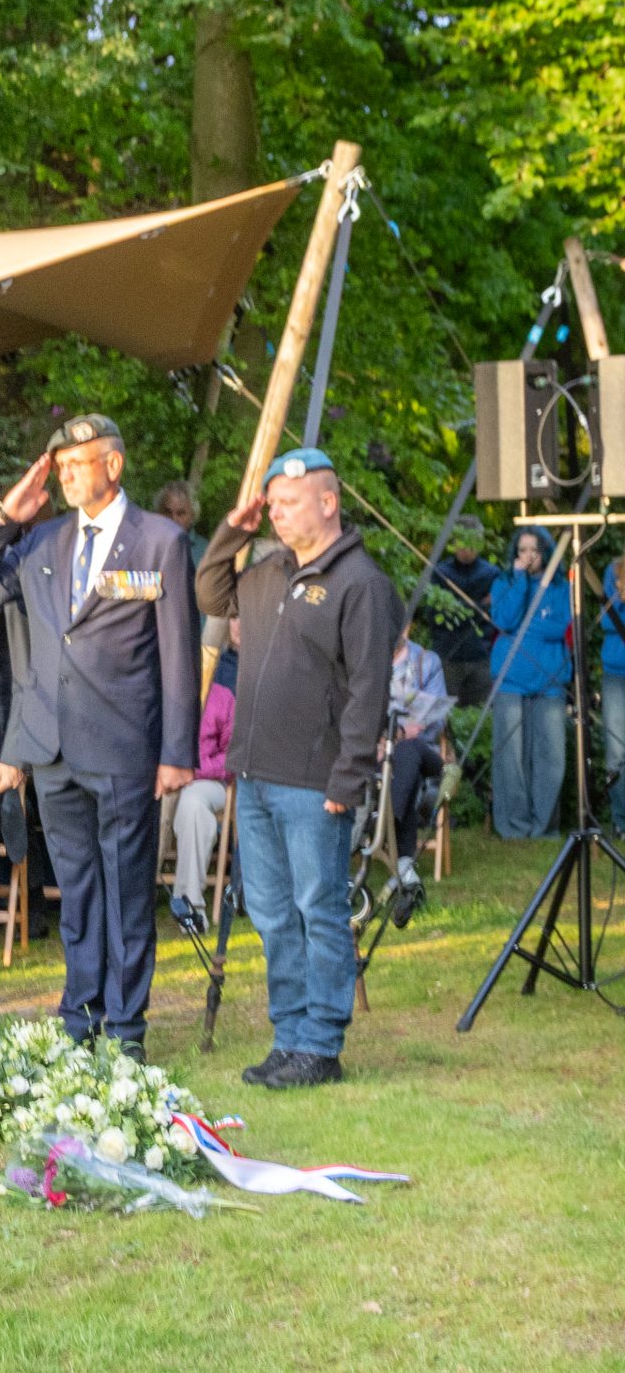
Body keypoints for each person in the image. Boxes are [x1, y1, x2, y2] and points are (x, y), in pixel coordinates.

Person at [0, 416, 199, 1059]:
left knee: (126, 892)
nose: (66, 475)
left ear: (113, 466)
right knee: (77, 889)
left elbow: (178, 654)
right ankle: (81, 1015)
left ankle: (125, 1028)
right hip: (53, 747)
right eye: (60, 467)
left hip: (125, 745)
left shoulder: (159, 541)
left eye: (78, 464)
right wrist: (6, 519)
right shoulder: (41, 542)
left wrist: (178, 752)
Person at [198, 448, 401, 1090]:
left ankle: (321, 1044)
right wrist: (238, 527)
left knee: (319, 909)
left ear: (328, 503)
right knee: (271, 912)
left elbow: (370, 688)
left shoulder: (360, 583)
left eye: (288, 504)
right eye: (274, 506)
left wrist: (351, 775)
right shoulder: (264, 572)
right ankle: (289, 1037)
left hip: (316, 782)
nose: (279, 515)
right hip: (255, 776)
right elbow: (208, 589)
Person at [489, 526, 569, 839]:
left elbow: (558, 625)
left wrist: (527, 627)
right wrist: (521, 583)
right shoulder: (505, 582)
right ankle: (514, 827)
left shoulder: (560, 586)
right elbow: (505, 620)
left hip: (550, 680)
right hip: (511, 679)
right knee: (511, 759)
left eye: (534, 550)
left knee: (551, 757)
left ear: (546, 553)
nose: (528, 556)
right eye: (522, 550)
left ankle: (544, 828)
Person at [171, 627, 238, 928]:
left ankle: (191, 907)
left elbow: (232, 756)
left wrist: (194, 770)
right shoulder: (169, 694)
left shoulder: (223, 696)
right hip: (167, 778)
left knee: (193, 802)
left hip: (211, 782)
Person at [387, 635, 451, 884]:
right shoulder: (369, 657)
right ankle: (404, 864)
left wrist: (408, 730)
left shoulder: (426, 661)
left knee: (408, 751)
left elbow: (436, 721)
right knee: (404, 765)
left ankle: (388, 825)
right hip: (386, 752)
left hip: (425, 751)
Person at [426, 515, 497, 708]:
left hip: (480, 656)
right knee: (442, 717)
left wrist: (459, 609)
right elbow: (436, 617)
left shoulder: (491, 574)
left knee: (483, 715)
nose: (466, 549)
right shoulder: (440, 573)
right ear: (454, 542)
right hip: (448, 656)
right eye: (462, 542)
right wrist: (480, 606)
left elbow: (497, 616)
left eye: (472, 543)